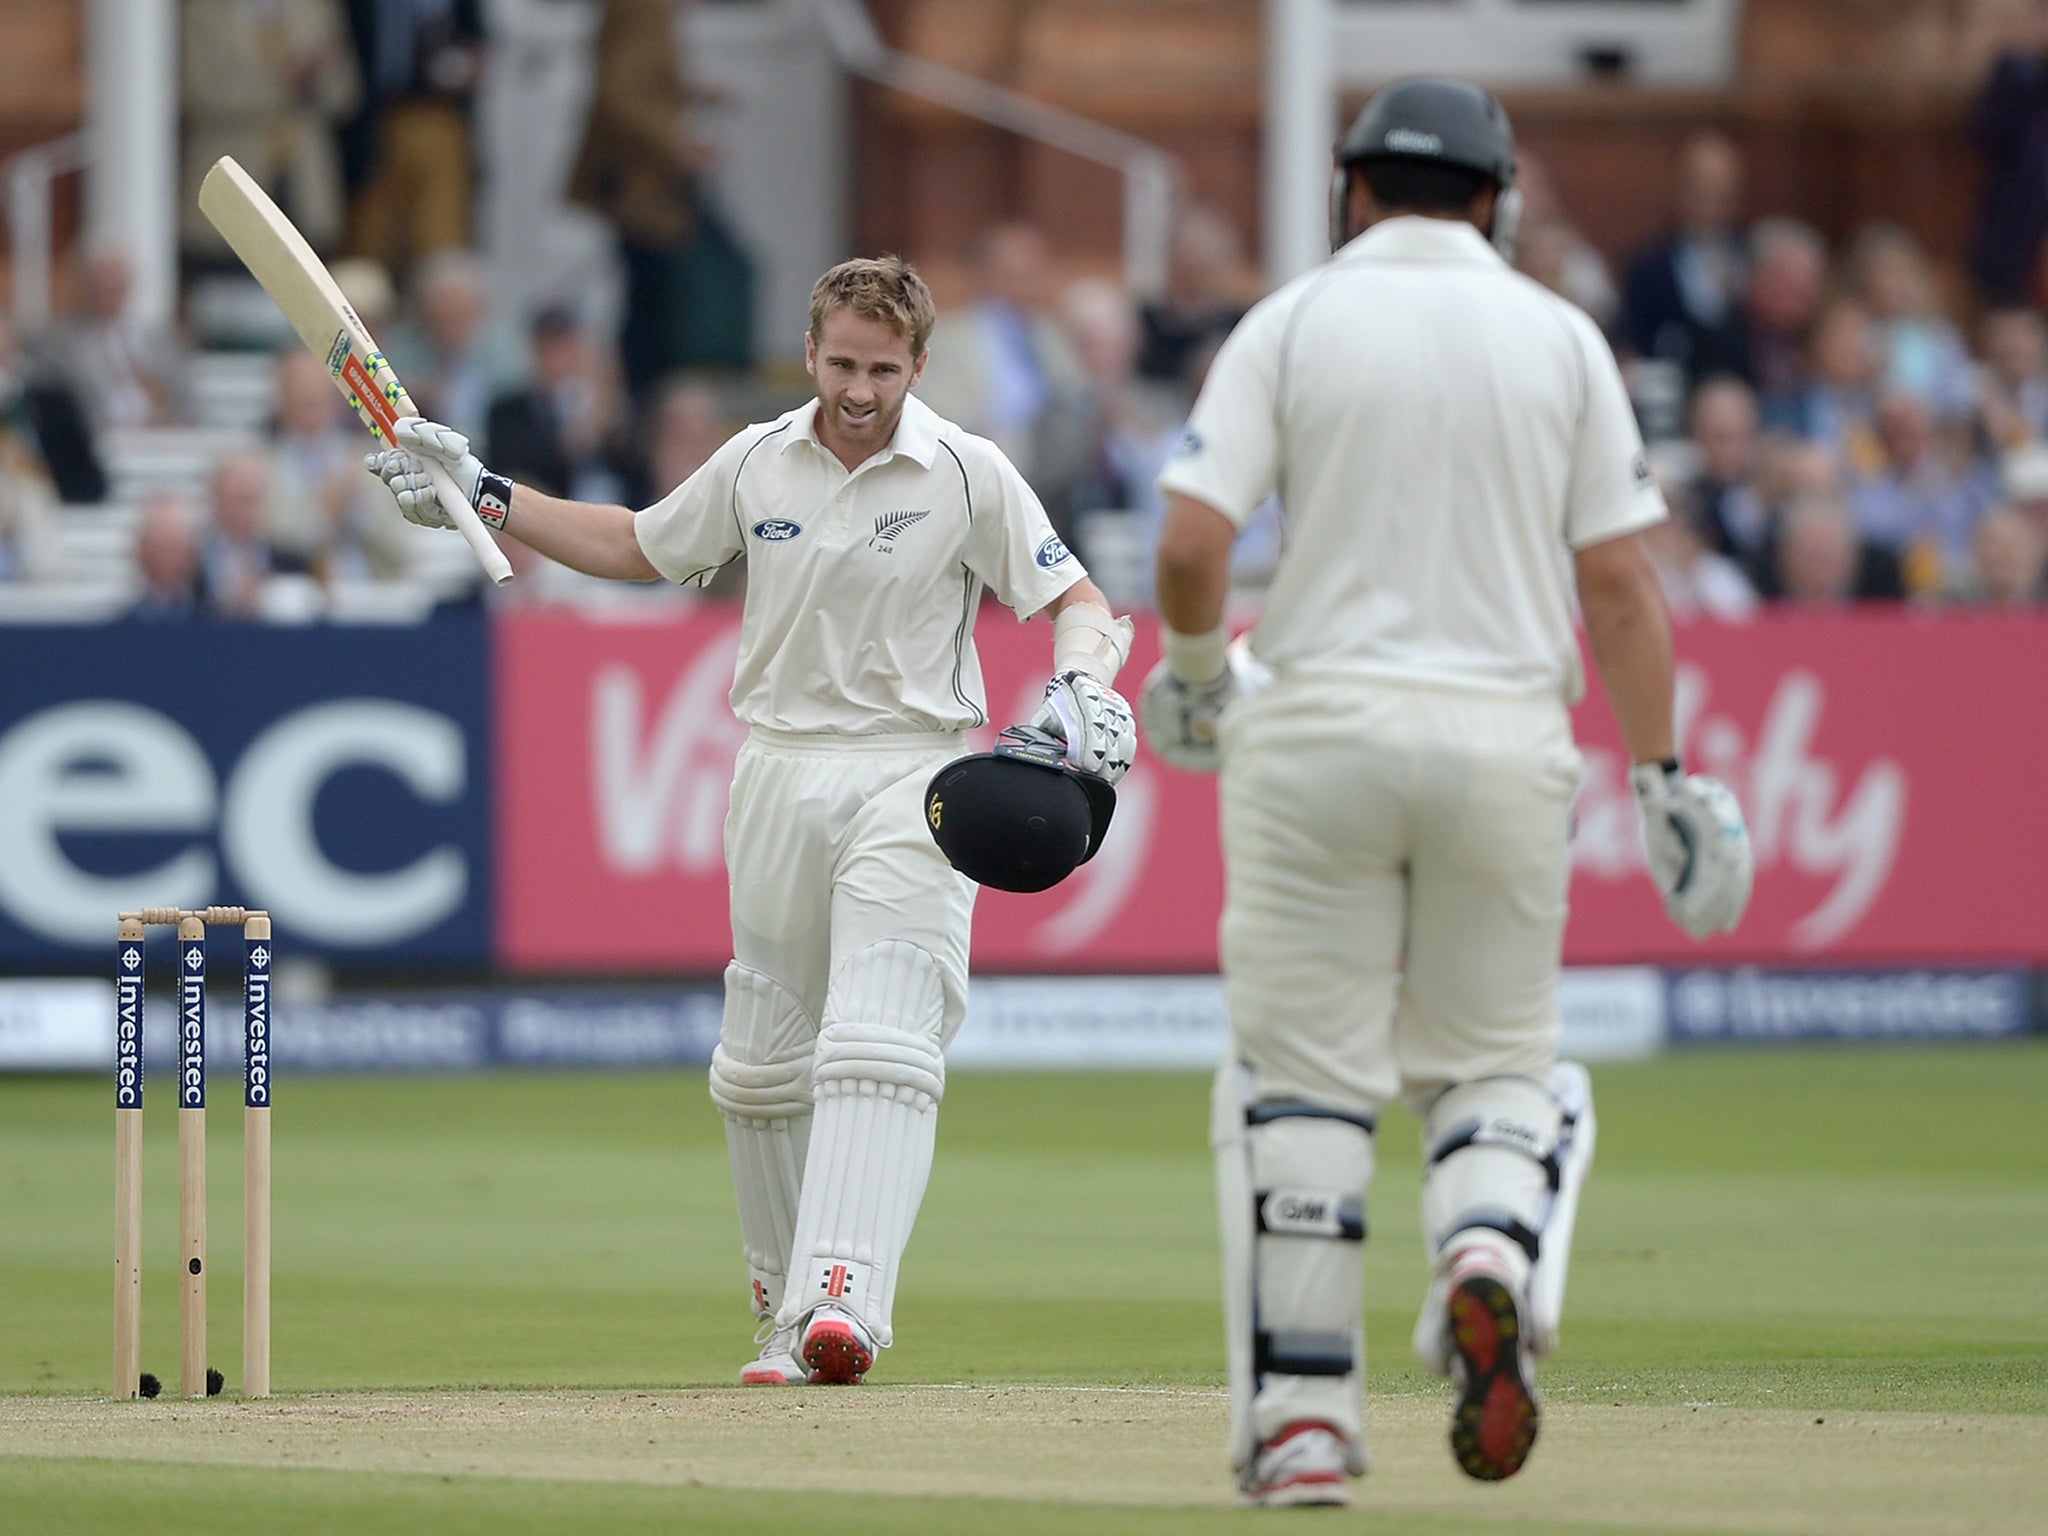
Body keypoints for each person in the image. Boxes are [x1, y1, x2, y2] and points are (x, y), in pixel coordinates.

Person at [1140, 78, 1753, 1507]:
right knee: (1495, 1066)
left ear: (1350, 187)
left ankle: (1304, 1425)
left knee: (1300, 1086)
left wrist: (1191, 674)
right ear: (1498, 197)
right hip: (1501, 738)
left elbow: (1187, 541)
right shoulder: (1560, 336)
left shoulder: (1288, 321)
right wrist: (1661, 775)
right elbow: (1619, 586)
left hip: (1317, 729)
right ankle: (1487, 1246)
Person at [365, 255, 1138, 1386]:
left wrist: (1083, 686)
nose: (859, 388)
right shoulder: (758, 459)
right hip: (775, 768)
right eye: (839, 363)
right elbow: (637, 545)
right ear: (811, 350)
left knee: (877, 1037)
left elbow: (1077, 600)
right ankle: (785, 1317)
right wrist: (484, 492)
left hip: (912, 771)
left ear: (918, 364)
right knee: (763, 1067)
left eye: (882, 368)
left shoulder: (968, 473)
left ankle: (845, 1301)